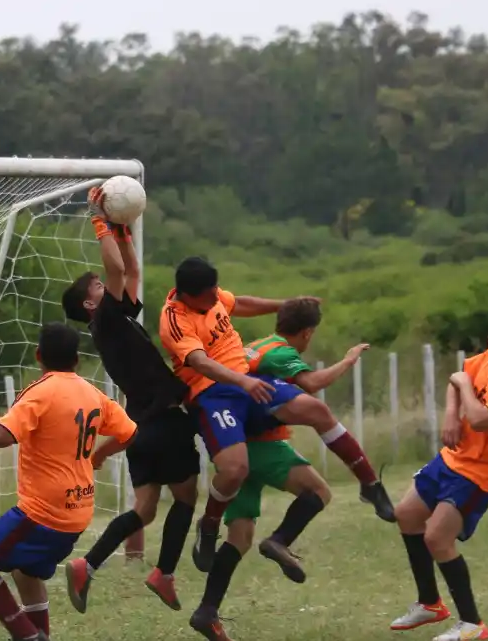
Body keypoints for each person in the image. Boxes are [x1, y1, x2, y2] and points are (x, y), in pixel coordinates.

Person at [158, 256, 395, 641]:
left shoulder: (216, 300)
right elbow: (199, 362)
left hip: (243, 386)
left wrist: (283, 304)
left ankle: (370, 486)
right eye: (205, 299)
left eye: (214, 295)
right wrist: (245, 381)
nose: (213, 302)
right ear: (186, 295)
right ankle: (212, 525)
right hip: (215, 393)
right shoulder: (175, 320)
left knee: (314, 410)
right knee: (236, 472)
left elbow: (240, 303)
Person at [59, 186, 202, 613]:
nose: (107, 284)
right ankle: (164, 574)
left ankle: (86, 565)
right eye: (99, 286)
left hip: (141, 425)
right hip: (164, 420)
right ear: (90, 301)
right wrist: (100, 219)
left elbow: (131, 271)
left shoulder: (115, 321)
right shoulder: (105, 319)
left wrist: (122, 229)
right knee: (187, 498)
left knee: (144, 508)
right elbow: (117, 269)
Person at [0, 321, 139, 641]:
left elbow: (0, 436)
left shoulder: (40, 391)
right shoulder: (91, 392)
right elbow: (130, 432)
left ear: (38, 355)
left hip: (43, 513)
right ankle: (40, 634)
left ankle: (25, 635)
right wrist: (100, 455)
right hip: (79, 511)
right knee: (25, 571)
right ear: (77, 360)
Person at [199, 298, 368, 628]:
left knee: (239, 536)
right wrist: (348, 360)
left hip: (235, 446)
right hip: (265, 446)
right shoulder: (282, 354)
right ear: (307, 333)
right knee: (319, 492)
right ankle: (279, 540)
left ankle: (207, 610)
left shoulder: (255, 346)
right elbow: (313, 384)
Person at [387, 310, 488, 641]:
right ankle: (430, 604)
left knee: (436, 538)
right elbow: (459, 379)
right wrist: (450, 414)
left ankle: (472, 624)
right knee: (406, 515)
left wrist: (462, 385)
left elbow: (478, 418)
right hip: (451, 459)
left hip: (480, 472)